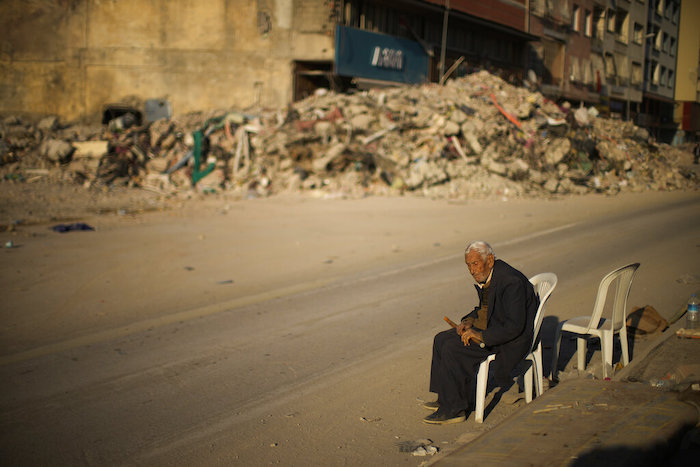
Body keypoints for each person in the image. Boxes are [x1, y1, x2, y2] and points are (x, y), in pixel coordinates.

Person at [423, 241, 539, 424]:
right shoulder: (493, 274)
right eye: (468, 265)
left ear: (490, 260)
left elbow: (514, 327)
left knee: (453, 347)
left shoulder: (510, 282)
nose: (471, 270)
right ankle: (446, 397)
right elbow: (485, 308)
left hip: (508, 340)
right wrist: (469, 322)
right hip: (495, 326)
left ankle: (455, 409)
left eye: (475, 264)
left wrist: (480, 335)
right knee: (441, 339)